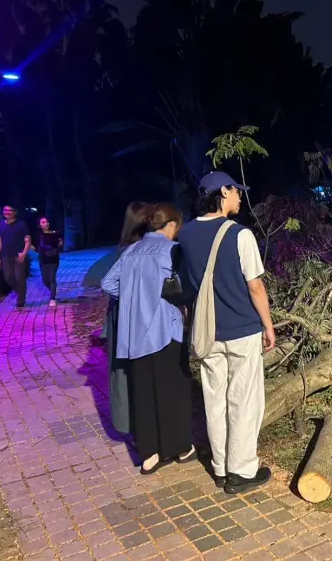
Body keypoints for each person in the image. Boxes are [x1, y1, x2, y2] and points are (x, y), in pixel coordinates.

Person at [178, 171, 275, 494]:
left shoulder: (186, 234)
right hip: (242, 329)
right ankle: (242, 470)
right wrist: (268, 325)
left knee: (214, 400)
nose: (240, 197)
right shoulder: (240, 235)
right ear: (223, 192)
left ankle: (220, 467)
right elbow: (256, 287)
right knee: (244, 401)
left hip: (207, 332)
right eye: (236, 191)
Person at [101, 203, 194, 474]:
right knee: (172, 390)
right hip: (166, 329)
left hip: (134, 334)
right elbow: (184, 285)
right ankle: (179, 447)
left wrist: (131, 296)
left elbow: (107, 283)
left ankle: (149, 454)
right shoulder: (171, 250)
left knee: (142, 392)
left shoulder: (131, 250)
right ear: (171, 225)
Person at [105, 202, 148, 436]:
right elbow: (109, 283)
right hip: (126, 315)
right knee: (126, 369)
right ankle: (130, 421)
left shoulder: (131, 247)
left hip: (124, 313)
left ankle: (131, 420)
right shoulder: (133, 250)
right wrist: (138, 297)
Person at [0, 205, 31, 308]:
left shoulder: (21, 225)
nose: (7, 212)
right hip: (5, 256)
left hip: (18, 255)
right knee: (8, 277)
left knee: (20, 278)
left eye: (10, 210)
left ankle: (21, 300)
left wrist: (24, 253)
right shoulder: (1, 225)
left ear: (15, 212)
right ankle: (20, 293)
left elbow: (28, 239)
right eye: (5, 210)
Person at [34, 217, 63, 307]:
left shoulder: (55, 234)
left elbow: (59, 244)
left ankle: (52, 298)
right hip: (43, 260)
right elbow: (36, 246)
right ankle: (53, 291)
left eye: (46, 221)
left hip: (53, 259)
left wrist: (60, 243)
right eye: (43, 222)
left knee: (52, 278)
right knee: (45, 280)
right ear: (39, 225)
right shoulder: (38, 235)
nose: (46, 223)